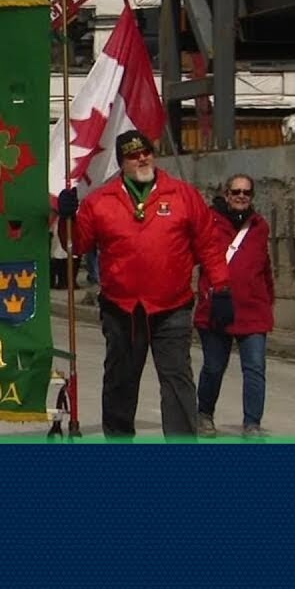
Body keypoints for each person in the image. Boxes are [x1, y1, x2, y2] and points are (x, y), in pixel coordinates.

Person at [56, 129, 234, 438]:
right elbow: (76, 245)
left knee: (177, 379)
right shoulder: (101, 200)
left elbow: (208, 244)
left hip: (172, 306)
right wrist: (66, 217)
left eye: (146, 152)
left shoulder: (182, 194)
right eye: (133, 155)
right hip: (121, 308)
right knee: (120, 381)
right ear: (121, 162)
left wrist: (221, 286)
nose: (142, 159)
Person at [193, 174, 274, 439]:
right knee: (214, 366)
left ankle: (252, 423)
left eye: (246, 193)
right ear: (226, 194)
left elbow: (264, 267)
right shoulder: (208, 223)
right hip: (216, 308)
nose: (241, 196)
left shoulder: (259, 226)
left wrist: (268, 299)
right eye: (236, 191)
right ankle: (204, 414)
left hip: (252, 310)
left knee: (255, 368)